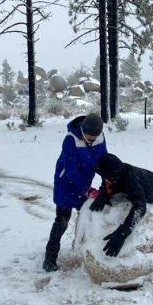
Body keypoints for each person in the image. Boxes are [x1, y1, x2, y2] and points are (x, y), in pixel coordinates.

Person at [43, 112, 107, 272]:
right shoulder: (71, 139)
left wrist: (108, 181)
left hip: (85, 182)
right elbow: (70, 170)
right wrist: (86, 190)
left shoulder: (100, 137)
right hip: (66, 183)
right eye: (88, 135)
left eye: (94, 136)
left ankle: (83, 249)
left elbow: (104, 160)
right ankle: (49, 258)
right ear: (83, 129)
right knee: (62, 220)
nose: (91, 139)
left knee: (87, 217)